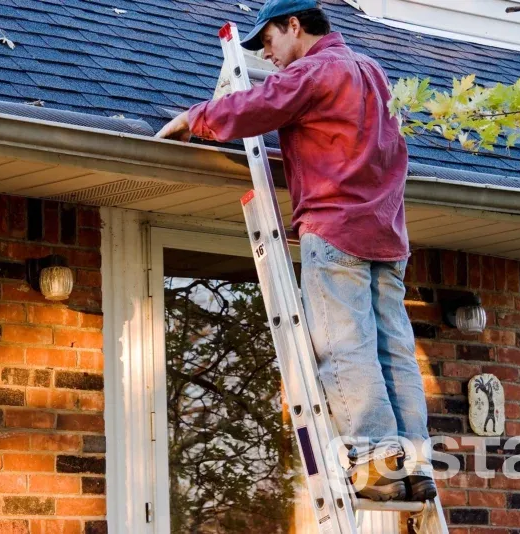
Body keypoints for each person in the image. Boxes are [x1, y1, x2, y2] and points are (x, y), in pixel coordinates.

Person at [156, 0, 436, 502]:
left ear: (294, 25)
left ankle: (373, 460)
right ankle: (414, 465)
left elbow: (254, 108)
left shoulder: (316, 70)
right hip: (387, 235)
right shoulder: (372, 72)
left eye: (269, 42)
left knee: (344, 346)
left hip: (336, 228)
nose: (270, 56)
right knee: (394, 351)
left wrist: (192, 118)